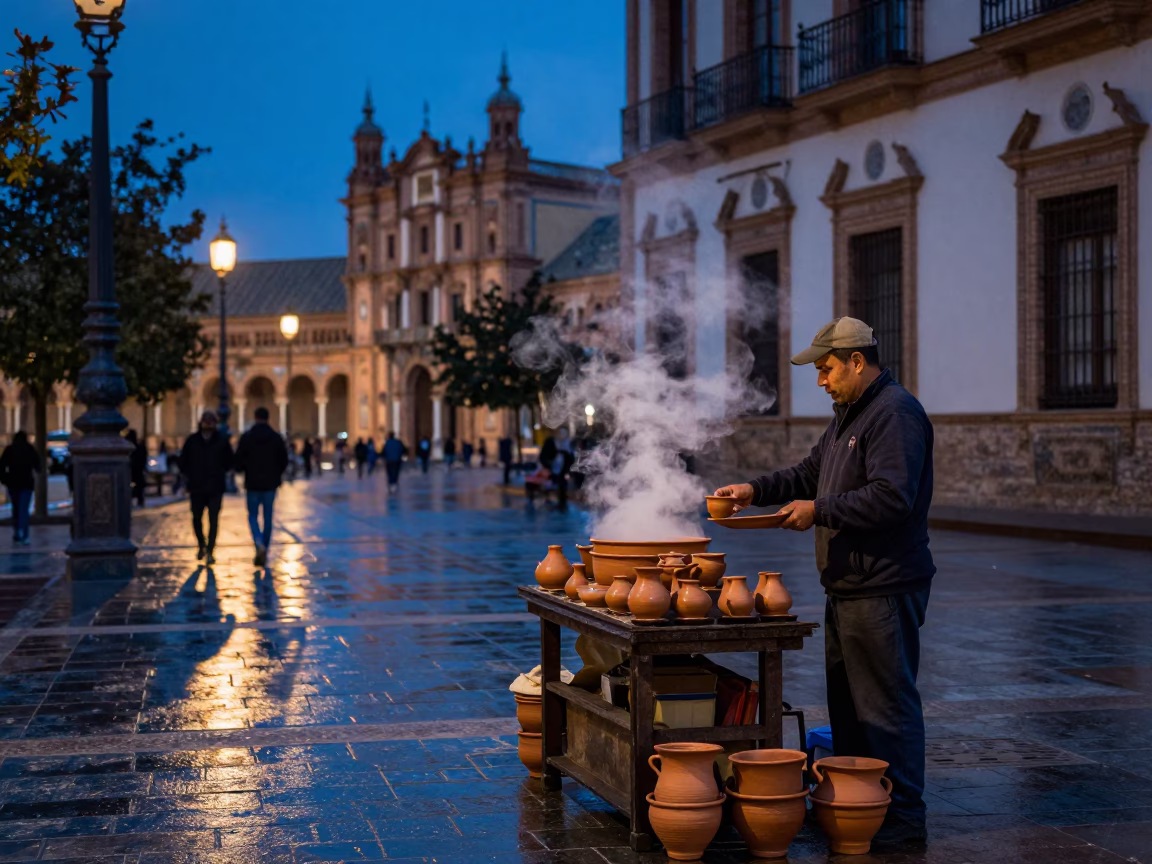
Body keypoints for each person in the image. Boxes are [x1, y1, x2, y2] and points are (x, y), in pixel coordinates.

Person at [713, 317, 934, 851]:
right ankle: (859, 805)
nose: (821, 380)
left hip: (883, 586)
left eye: (826, 368)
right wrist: (754, 489)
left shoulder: (895, 414)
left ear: (857, 361)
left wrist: (819, 511)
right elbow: (808, 474)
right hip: (849, 586)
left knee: (885, 708)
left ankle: (902, 817)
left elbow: (891, 497)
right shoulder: (847, 416)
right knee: (850, 710)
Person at [232, 406, 289, 567]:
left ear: (255, 417)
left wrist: (243, 469)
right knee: (268, 518)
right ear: (268, 418)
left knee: (252, 516)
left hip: (253, 483)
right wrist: (276, 474)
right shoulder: (276, 438)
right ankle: (265, 548)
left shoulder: (247, 437)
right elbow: (283, 460)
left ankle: (258, 542)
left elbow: (238, 461)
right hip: (270, 484)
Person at [179, 411, 233, 564]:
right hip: (196, 486)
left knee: (213, 520)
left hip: (215, 487)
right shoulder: (192, 440)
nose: (209, 424)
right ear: (201, 422)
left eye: (211, 421)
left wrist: (220, 470)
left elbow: (229, 461)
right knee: (196, 518)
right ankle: (201, 544)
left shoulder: (222, 441)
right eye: (206, 421)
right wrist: (190, 475)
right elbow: (183, 461)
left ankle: (210, 551)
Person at [0, 431, 39, 546]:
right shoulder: (30, 449)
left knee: (16, 508)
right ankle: (25, 534)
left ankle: (18, 531)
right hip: (27, 483)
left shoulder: (10, 450)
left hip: (13, 483)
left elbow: (2, 466)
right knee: (24, 509)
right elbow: (37, 465)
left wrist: (4, 480)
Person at [126, 429, 147, 507]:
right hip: (137, 470)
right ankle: (139, 500)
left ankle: (135, 500)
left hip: (132, 470)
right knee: (139, 487)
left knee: (134, 486)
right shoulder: (138, 446)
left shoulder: (130, 445)